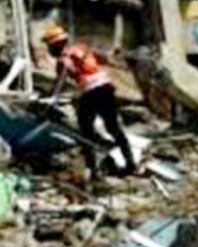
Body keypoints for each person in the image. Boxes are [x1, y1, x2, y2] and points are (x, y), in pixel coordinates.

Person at [42, 24, 137, 180]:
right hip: (106, 88)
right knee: (113, 127)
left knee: (86, 129)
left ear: (57, 44)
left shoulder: (64, 59)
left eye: (50, 46)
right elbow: (96, 63)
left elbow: (60, 82)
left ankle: (93, 169)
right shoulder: (82, 48)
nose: (49, 49)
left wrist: (51, 98)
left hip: (92, 92)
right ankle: (130, 162)